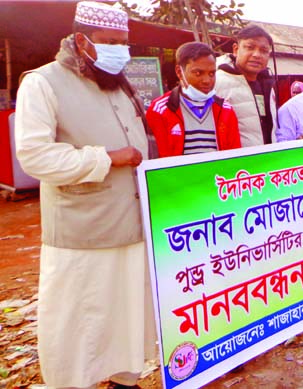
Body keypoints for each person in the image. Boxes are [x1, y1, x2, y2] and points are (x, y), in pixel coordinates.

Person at [14, 2, 156, 387]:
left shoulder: (117, 83)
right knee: (79, 322)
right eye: (109, 42)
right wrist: (106, 159)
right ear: (81, 41)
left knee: (126, 313)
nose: (119, 50)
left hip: (129, 222)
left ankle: (124, 379)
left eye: (123, 42)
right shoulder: (43, 82)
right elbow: (34, 156)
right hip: (82, 229)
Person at [147, 42, 241, 157]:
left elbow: (235, 156)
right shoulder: (160, 110)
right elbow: (156, 160)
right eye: (198, 73)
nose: (207, 80)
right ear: (179, 72)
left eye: (211, 74)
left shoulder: (225, 110)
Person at [215, 25, 277, 146]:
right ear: (236, 49)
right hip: (237, 162)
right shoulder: (217, 82)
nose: (257, 55)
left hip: (269, 160)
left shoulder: (268, 85)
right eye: (250, 47)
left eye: (264, 51)